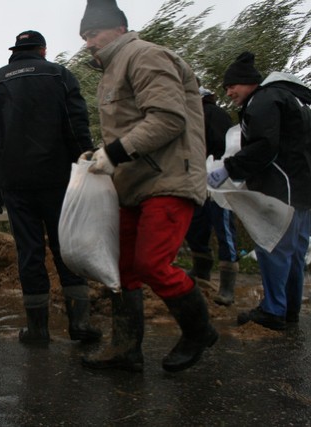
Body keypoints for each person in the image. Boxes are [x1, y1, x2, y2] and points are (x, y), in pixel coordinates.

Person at [78, 0, 217, 373]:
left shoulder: (145, 56)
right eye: (84, 36)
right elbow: (128, 126)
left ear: (119, 30)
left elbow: (169, 119)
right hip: (133, 183)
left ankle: (198, 330)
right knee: (123, 269)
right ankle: (125, 349)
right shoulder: (111, 70)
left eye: (93, 33)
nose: (88, 42)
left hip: (168, 178)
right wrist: (103, 154)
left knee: (152, 263)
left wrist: (117, 151)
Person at [0, 30, 101, 346]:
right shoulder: (59, 74)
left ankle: (38, 330)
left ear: (14, 52)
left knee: (29, 251)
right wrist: (86, 164)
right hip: (58, 179)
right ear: (43, 50)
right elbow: (77, 125)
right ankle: (80, 325)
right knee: (67, 247)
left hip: (15, 183)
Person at [207, 51, 311, 330]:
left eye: (232, 86)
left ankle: (273, 310)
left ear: (248, 82)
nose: (229, 92)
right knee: (294, 253)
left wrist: (230, 167)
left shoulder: (264, 100)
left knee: (272, 245)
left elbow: (264, 145)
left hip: (280, 190)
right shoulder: (294, 99)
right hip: (302, 189)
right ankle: (288, 311)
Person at [185, 85, 240, 306]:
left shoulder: (214, 114)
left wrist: (219, 168)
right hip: (198, 179)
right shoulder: (192, 116)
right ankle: (201, 273)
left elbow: (224, 147)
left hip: (219, 179)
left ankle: (227, 285)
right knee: (195, 224)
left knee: (224, 228)